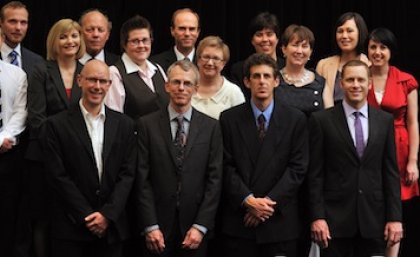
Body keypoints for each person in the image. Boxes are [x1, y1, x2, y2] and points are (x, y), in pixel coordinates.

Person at [41, 59, 136, 257]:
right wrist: (86, 214)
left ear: (110, 85)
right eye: (92, 80)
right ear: (79, 81)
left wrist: (107, 215)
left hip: (111, 229)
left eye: (103, 81)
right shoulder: (56, 125)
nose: (97, 86)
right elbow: (57, 176)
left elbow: (127, 174)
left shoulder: (125, 125)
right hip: (70, 228)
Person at [308, 60, 403, 257]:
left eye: (361, 79)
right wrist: (317, 217)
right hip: (334, 223)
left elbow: (391, 173)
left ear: (369, 83)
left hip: (374, 220)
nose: (355, 85)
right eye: (350, 80)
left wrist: (395, 218)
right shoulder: (321, 121)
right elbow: (315, 174)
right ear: (341, 83)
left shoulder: (385, 121)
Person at [219, 53, 309, 257]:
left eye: (267, 76)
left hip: (279, 223)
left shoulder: (295, 119)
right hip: (240, 223)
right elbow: (225, 166)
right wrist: (249, 201)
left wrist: (266, 205)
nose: (262, 81)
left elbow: (297, 168)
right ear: (246, 82)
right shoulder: (229, 119)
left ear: (277, 81)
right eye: (256, 76)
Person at [136, 59, 222, 257]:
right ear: (167, 86)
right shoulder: (146, 125)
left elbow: (215, 181)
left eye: (187, 83)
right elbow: (142, 179)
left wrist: (201, 225)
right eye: (176, 82)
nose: (181, 88)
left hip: (195, 228)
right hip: (157, 229)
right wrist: (150, 225)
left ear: (196, 88)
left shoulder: (211, 127)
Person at [25, 18, 85, 257]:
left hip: (78, 160)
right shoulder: (41, 69)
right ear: (54, 41)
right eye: (63, 36)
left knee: (70, 219)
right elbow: (36, 118)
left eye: (73, 36)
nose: (69, 41)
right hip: (43, 157)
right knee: (43, 219)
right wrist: (60, 148)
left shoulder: (86, 70)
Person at [366, 28, 419, 257]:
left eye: (383, 47)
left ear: (391, 51)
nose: (377, 52)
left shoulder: (405, 80)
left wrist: (413, 161)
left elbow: (413, 123)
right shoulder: (359, 75)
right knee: (369, 201)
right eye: (373, 47)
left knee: (394, 206)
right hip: (367, 146)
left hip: (399, 148)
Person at [106, 15, 169, 120]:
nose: (141, 45)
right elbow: (115, 119)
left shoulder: (158, 69)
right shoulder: (115, 73)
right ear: (124, 44)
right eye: (135, 41)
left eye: (145, 40)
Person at [0, 27, 28, 257]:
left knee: (7, 219)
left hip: (5, 158)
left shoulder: (16, 74)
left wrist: (2, 137)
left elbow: (20, 112)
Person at [316, 12, 369, 108]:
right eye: (340, 31)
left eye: (349, 31)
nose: (344, 36)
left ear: (360, 33)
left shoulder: (370, 65)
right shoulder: (323, 65)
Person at [229, 12, 284, 101]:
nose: (265, 39)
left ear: (277, 38)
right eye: (259, 35)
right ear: (252, 40)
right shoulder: (238, 70)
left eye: (269, 34)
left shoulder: (287, 67)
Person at [277, 24, 325, 117]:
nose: (299, 51)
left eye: (304, 46)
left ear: (310, 52)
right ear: (284, 49)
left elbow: (328, 118)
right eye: (295, 45)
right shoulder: (273, 79)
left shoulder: (321, 82)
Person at [192, 35, 245, 119]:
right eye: (206, 57)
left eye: (216, 58)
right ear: (198, 60)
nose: (210, 63)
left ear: (223, 63)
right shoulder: (186, 87)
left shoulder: (233, 93)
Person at [150, 8, 200, 72]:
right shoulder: (155, 64)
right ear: (172, 31)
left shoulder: (205, 64)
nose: (187, 33)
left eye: (192, 29)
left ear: (198, 32)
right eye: (182, 28)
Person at [0, 1, 43, 75]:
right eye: (13, 21)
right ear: (1, 23)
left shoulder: (37, 61)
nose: (18, 28)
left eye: (23, 22)